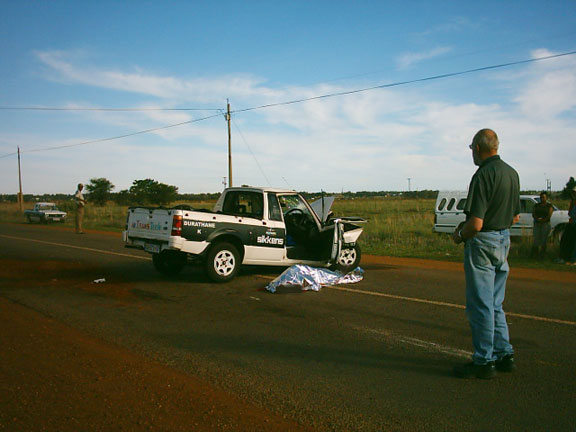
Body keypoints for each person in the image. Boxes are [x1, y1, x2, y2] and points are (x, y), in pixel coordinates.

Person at [452, 129, 520, 379]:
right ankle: (505, 354)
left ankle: (483, 361)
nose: (472, 152)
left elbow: (476, 224)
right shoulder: (511, 173)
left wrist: (459, 235)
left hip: (482, 242)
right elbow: (514, 216)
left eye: (472, 148)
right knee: (495, 303)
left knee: (480, 304)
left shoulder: (483, 175)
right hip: (503, 239)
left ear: (478, 148)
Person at [531, 191, 553, 258]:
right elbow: (533, 213)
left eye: (543, 197)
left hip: (545, 224)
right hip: (537, 224)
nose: (542, 199)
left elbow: (549, 215)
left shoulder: (549, 206)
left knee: (544, 240)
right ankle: (535, 254)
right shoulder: (537, 205)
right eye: (541, 197)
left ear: (546, 198)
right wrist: (537, 219)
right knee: (536, 239)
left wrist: (543, 220)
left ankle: (543, 254)